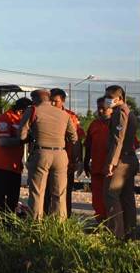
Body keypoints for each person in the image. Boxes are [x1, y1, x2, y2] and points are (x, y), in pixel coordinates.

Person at [19, 89, 77, 220]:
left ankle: (36, 225)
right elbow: (74, 137)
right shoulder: (64, 114)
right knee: (59, 193)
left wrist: (32, 135)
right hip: (61, 154)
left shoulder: (32, 110)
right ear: (49, 99)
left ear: (35, 99)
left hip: (41, 154)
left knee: (37, 192)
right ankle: (59, 226)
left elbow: (21, 135)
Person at [103, 85, 139, 239]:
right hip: (129, 158)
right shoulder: (129, 112)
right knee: (127, 197)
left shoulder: (120, 113)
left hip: (122, 159)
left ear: (118, 98)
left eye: (109, 98)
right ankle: (130, 233)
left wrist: (112, 162)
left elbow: (119, 139)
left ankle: (116, 234)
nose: (107, 101)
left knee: (111, 194)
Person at [0, 97, 30, 216]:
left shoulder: (18, 120)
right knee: (1, 196)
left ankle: (10, 222)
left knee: (13, 198)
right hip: (1, 165)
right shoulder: (5, 119)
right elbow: (4, 142)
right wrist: (25, 140)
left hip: (13, 165)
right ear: (21, 111)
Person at [48, 88, 84, 217]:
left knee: (63, 193)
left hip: (66, 161)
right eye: (50, 101)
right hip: (46, 161)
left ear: (63, 101)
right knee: (46, 193)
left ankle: (64, 220)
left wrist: (78, 161)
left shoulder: (71, 117)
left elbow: (77, 141)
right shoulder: (43, 114)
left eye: (55, 101)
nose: (52, 104)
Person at [83, 97, 113, 223]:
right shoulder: (94, 124)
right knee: (97, 198)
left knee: (111, 197)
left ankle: (112, 223)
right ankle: (100, 222)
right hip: (96, 167)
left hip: (112, 169)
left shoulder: (118, 125)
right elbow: (88, 145)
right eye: (98, 108)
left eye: (104, 108)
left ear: (111, 109)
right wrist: (85, 162)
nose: (100, 111)